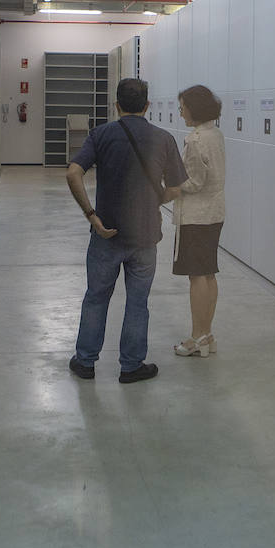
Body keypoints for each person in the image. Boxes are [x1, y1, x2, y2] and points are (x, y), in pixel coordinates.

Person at [66, 77, 187, 384]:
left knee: (96, 297)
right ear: (147, 105)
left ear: (116, 105)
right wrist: (157, 197)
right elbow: (176, 188)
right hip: (145, 236)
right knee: (137, 302)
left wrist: (91, 215)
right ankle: (131, 366)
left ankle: (85, 362)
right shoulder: (163, 139)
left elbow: (73, 173)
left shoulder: (101, 134)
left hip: (106, 233)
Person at [171, 85, 226, 358]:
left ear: (194, 108)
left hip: (195, 216)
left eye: (182, 107)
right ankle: (207, 334)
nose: (180, 113)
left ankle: (196, 337)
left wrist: (169, 185)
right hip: (214, 213)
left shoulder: (195, 140)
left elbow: (194, 181)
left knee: (196, 277)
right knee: (208, 273)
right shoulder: (215, 134)